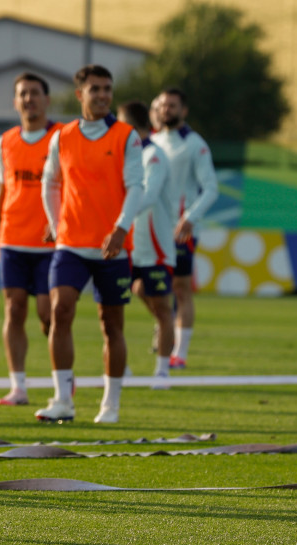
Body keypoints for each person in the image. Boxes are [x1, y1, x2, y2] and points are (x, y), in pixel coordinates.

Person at [39, 64, 145, 424]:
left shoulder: (127, 136)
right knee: (60, 311)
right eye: (95, 89)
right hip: (70, 244)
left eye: (107, 89)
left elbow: (136, 187)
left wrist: (120, 228)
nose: (102, 95)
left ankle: (110, 404)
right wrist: (55, 224)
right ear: (79, 94)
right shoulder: (62, 136)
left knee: (111, 324)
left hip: (111, 248)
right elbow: (50, 183)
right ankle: (62, 400)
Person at [0, 72, 60, 406]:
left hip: (51, 243)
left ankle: (62, 379)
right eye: (23, 94)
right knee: (14, 310)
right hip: (13, 239)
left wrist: (60, 222)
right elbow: (4, 191)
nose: (29, 99)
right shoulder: (4, 142)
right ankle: (18, 386)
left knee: (50, 315)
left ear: (47, 100)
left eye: (35, 93)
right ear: (16, 101)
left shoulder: (62, 137)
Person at [151, 88, 218, 369]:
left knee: (180, 288)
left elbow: (211, 188)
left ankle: (180, 352)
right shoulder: (151, 142)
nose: (167, 109)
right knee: (151, 287)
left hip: (181, 229)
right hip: (153, 228)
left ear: (183, 110)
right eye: (163, 105)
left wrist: (190, 217)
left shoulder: (194, 144)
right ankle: (163, 331)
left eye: (173, 105)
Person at [117, 100, 176, 389]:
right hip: (128, 244)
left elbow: (148, 196)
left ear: (129, 125)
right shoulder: (125, 155)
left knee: (163, 308)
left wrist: (118, 218)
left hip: (155, 246)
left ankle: (162, 372)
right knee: (116, 304)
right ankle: (121, 367)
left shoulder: (153, 155)